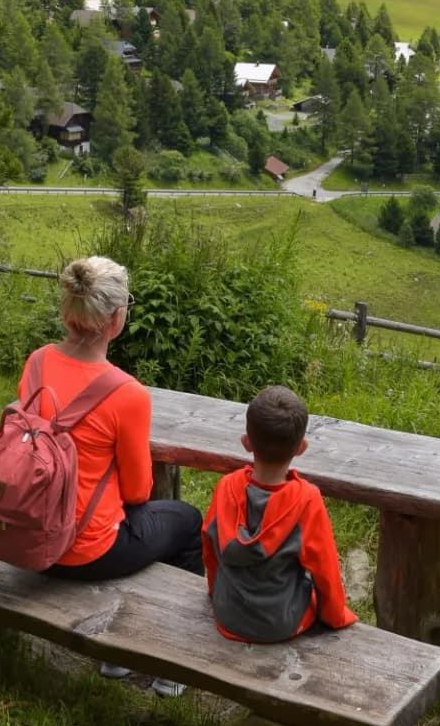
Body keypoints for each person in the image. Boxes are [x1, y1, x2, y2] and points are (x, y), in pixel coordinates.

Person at [26, 255, 202, 694]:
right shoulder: (127, 393)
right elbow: (140, 490)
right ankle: (169, 661)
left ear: (68, 310)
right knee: (188, 521)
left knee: (150, 522)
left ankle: (115, 655)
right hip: (86, 553)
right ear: (117, 318)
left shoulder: (38, 363)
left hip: (33, 537)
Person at [201, 385, 357, 642]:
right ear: (301, 447)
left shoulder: (226, 487)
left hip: (227, 613)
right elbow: (325, 569)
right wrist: (335, 616)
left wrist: (215, 591)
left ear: (246, 442)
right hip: (282, 623)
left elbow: (210, 546)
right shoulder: (307, 499)